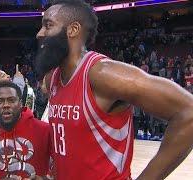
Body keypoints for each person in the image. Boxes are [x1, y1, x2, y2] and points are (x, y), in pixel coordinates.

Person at [35, 0, 193, 179]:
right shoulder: (52, 79)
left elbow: (188, 112)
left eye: (48, 25)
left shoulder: (103, 74)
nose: (39, 34)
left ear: (73, 30)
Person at [0, 81, 51, 179]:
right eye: (0, 101)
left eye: (11, 100)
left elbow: (63, 167)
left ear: (20, 103)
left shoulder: (45, 131)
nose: (6, 105)